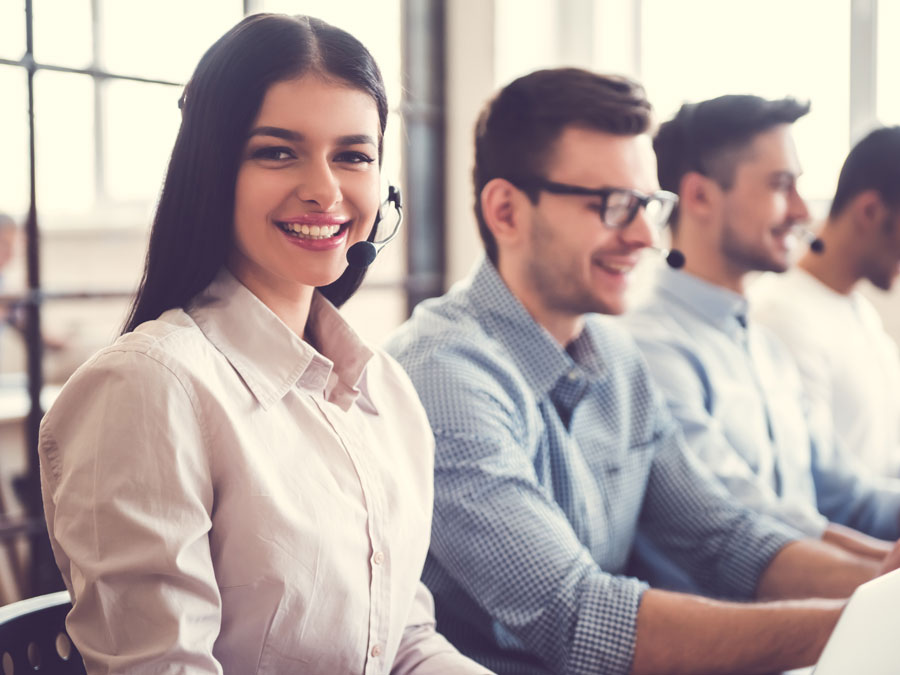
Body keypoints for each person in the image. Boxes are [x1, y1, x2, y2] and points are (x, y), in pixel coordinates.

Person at [385, 68, 900, 675]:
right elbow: (578, 614)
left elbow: (722, 537)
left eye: (649, 206)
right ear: (506, 211)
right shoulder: (443, 374)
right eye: (612, 206)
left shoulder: (614, 355)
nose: (643, 236)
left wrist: (878, 586)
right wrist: (868, 622)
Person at [38, 14, 489, 674]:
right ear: (213, 170)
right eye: (278, 151)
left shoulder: (386, 392)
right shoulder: (149, 387)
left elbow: (405, 641)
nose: (325, 189)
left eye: (354, 155)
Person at [623, 95, 900, 582]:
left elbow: (848, 494)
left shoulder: (765, 346)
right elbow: (745, 522)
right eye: (781, 185)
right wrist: (877, 570)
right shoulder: (651, 350)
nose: (800, 210)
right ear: (701, 197)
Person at [751, 126, 900, 478]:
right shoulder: (781, 315)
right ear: (870, 211)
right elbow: (815, 482)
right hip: (844, 532)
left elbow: (879, 458)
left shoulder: (857, 309)